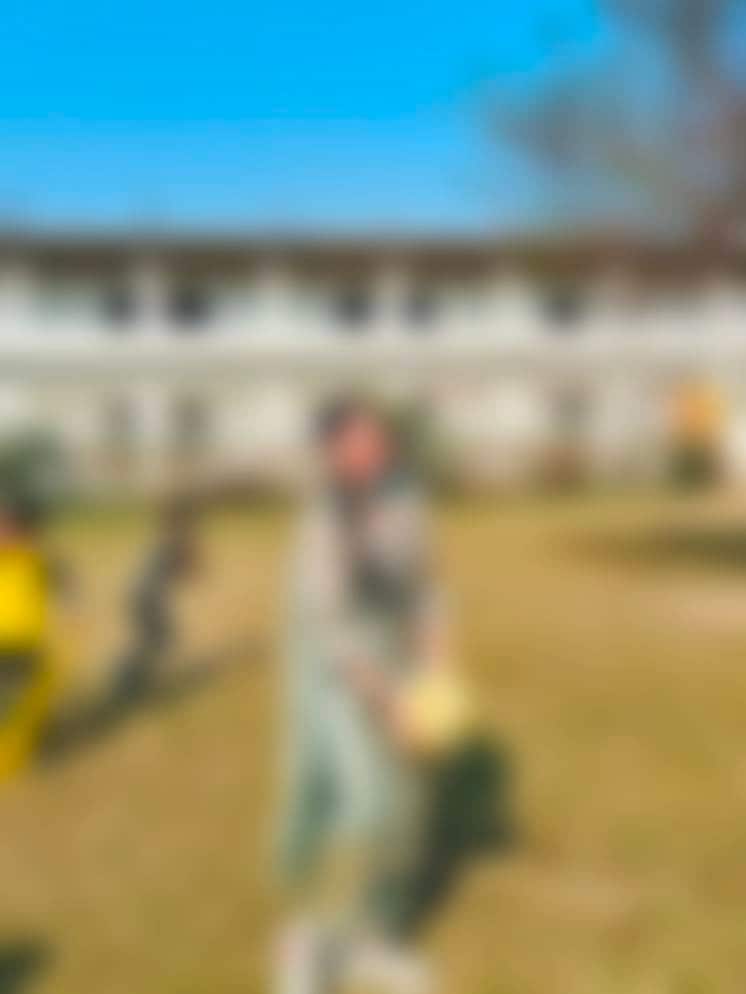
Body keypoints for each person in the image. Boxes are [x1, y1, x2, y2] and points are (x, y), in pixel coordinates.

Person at [275, 397, 456, 994]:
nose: (378, 445)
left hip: (401, 665)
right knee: (367, 809)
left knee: (409, 814)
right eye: (362, 438)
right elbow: (332, 630)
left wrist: (434, 669)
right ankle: (307, 947)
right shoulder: (322, 521)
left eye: (379, 435)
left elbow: (426, 588)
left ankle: (375, 941)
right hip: (343, 678)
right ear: (334, 453)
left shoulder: (406, 501)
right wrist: (390, 703)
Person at [0, 495, 72, 780]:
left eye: (9, 527)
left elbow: (66, 588)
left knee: (29, 699)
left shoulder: (39, 559)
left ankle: (28, 746)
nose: (5, 533)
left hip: (25, 643)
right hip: (11, 642)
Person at [110, 495, 200, 706]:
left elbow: (181, 568)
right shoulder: (171, 539)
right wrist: (191, 562)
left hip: (140, 595)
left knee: (154, 639)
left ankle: (131, 679)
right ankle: (127, 680)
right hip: (146, 597)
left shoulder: (165, 537)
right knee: (159, 638)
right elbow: (186, 567)